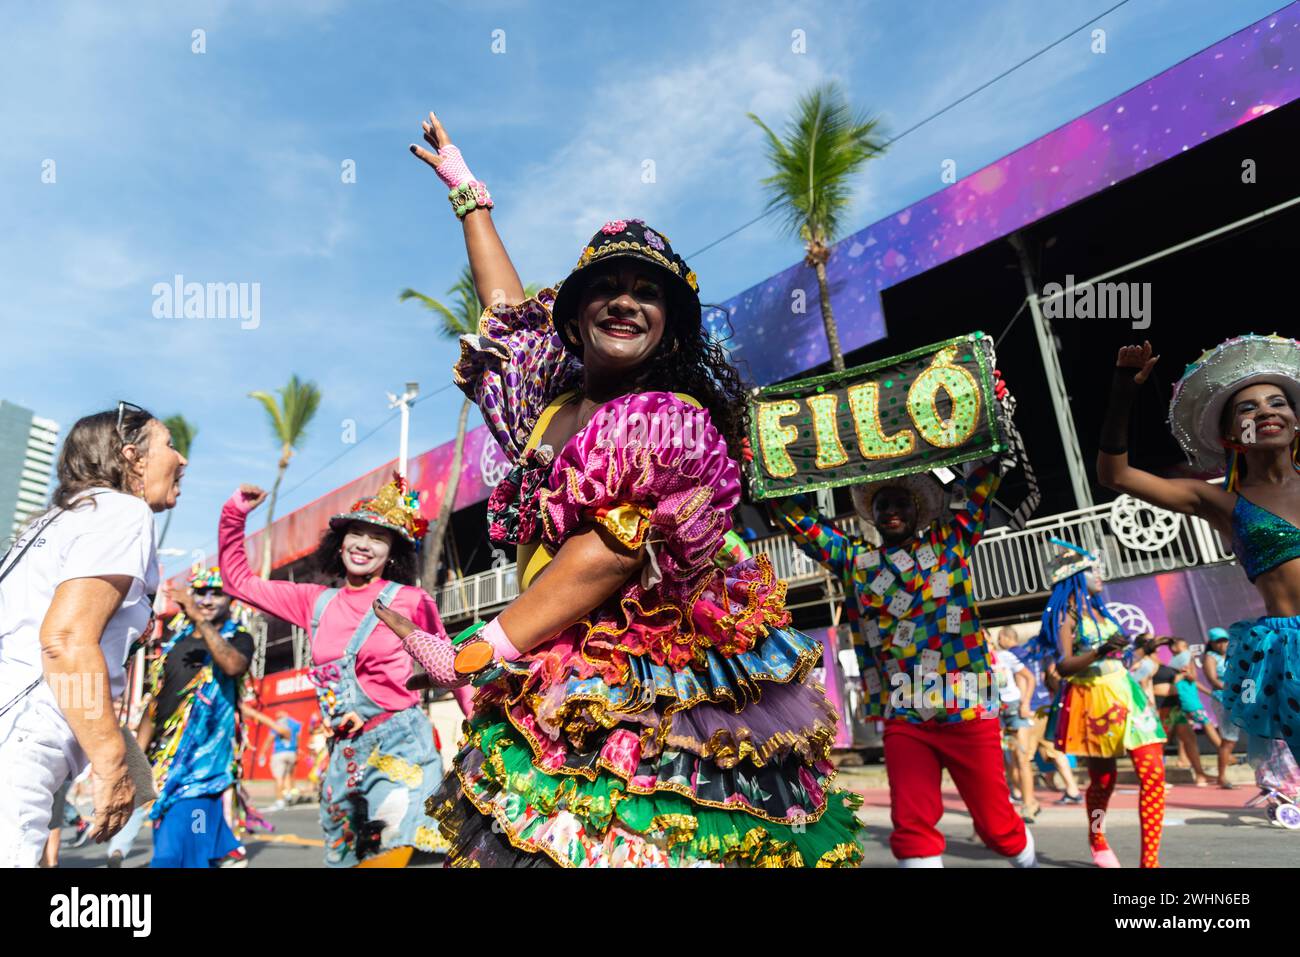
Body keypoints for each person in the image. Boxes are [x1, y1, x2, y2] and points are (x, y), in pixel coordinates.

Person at [396, 111, 865, 867]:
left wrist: (481, 649)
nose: (625, 301)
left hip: (648, 693)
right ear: (575, 321)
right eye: (606, 289)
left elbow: (612, 553)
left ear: (671, 333)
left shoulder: (666, 424)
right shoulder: (545, 403)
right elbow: (507, 319)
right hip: (552, 662)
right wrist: (470, 200)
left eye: (647, 294)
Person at [767, 376, 1038, 867]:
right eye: (882, 504)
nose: (891, 510)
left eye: (900, 503)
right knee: (912, 824)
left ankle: (1025, 858)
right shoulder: (853, 560)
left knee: (997, 825)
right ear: (873, 516)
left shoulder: (951, 541)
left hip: (965, 705)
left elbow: (980, 482)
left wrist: (994, 411)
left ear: (918, 510)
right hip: (903, 710)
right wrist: (763, 467)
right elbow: (802, 524)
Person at [218, 474, 454, 867]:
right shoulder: (314, 602)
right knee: (343, 857)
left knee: (393, 845)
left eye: (377, 538)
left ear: (392, 552)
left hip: (399, 741)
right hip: (342, 751)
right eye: (356, 533)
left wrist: (479, 719)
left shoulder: (412, 600)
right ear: (340, 543)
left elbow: (448, 665)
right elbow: (237, 581)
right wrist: (234, 513)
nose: (363, 544)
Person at [1098, 336, 1300, 764]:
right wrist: (1122, 390)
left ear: (1294, 419)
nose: (1266, 411)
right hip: (1292, 656)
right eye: (1248, 408)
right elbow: (1115, 474)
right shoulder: (1219, 501)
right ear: (1231, 432)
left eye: (1278, 402)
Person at [0, 403, 182, 867]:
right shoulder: (121, 510)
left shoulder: (56, 519)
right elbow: (64, 640)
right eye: (169, 445)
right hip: (20, 738)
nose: (182, 459)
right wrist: (110, 762)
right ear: (133, 458)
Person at [1033, 540, 1167, 868]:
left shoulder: (1099, 609)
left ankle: (1150, 863)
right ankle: (1097, 837)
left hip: (1126, 692)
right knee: (1103, 780)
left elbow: (1115, 657)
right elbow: (1064, 666)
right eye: (1093, 569)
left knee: (1153, 772)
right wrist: (1100, 651)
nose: (1100, 574)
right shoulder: (1066, 614)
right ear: (1076, 575)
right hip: (1092, 699)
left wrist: (1142, 648)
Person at [132, 565, 253, 867]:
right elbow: (155, 705)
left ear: (231, 599)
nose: (209, 600)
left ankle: (224, 848)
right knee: (181, 846)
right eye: (201, 592)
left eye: (217, 593)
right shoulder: (174, 645)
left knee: (174, 855)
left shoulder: (239, 639)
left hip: (203, 768)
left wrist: (198, 618)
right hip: (165, 766)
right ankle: (227, 848)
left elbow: (234, 667)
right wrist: (136, 763)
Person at [991, 627, 1039, 821]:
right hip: (994, 712)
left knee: (1022, 757)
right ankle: (1018, 797)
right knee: (1004, 760)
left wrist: (1025, 702)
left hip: (1015, 710)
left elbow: (1029, 678)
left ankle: (1029, 805)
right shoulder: (974, 663)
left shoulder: (1004, 656)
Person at [1165, 637, 1220, 787]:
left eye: (1186, 646)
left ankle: (1188, 764)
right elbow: (1188, 677)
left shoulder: (1182, 661)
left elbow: (1193, 679)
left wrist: (1209, 692)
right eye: (1183, 646)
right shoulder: (1178, 662)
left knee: (1187, 735)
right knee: (1206, 725)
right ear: (1174, 648)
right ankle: (1223, 751)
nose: (1185, 649)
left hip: (1186, 699)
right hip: (1186, 701)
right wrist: (1186, 674)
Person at [1203, 627, 1241, 788]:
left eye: (1224, 640)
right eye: (1218, 641)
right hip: (1223, 700)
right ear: (1211, 643)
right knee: (1228, 740)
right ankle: (1222, 777)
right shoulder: (1210, 657)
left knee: (1234, 739)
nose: (1222, 644)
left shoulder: (1233, 656)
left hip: (1238, 700)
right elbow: (1213, 680)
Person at [247, 707, 302, 809]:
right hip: (292, 752)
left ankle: (279, 801)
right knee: (287, 775)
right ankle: (288, 795)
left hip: (279, 753)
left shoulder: (277, 724)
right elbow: (298, 737)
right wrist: (297, 750)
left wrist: (262, 753)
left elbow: (270, 739)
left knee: (279, 778)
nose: (276, 716)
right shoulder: (296, 724)